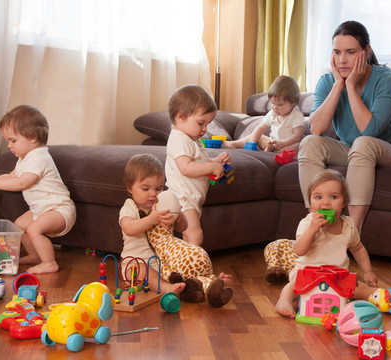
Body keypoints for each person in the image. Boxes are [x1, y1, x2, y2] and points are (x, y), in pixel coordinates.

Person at [299, 20, 391, 234]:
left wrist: (350, 85)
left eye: (350, 52)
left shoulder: (387, 79)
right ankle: (315, 228)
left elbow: (369, 131)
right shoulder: (328, 81)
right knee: (309, 143)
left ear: (366, 52)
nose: (342, 60)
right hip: (353, 150)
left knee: (363, 143)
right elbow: (316, 129)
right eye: (337, 52)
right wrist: (338, 85)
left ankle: (351, 234)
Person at [0, 105, 75, 274]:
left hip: (59, 209)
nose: (9, 146)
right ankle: (36, 255)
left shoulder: (39, 157)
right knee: (19, 227)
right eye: (8, 141)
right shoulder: (24, 159)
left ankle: (49, 262)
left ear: (32, 137)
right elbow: (11, 177)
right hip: (41, 209)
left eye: (13, 141)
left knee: (34, 229)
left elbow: (22, 183)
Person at [275, 169, 378, 318]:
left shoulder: (348, 226)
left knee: (358, 286)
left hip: (337, 277)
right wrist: (312, 230)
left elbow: (358, 249)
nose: (325, 202)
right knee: (293, 285)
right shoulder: (307, 223)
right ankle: (284, 301)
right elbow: (299, 250)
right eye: (318, 197)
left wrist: (368, 272)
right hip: (308, 274)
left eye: (334, 197)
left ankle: (375, 296)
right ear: (310, 201)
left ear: (345, 202)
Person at [166, 85, 231, 246]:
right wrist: (211, 168)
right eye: (201, 123)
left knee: (188, 238)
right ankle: (193, 267)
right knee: (195, 235)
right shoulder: (179, 138)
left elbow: (199, 163)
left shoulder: (193, 139)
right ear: (181, 117)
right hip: (182, 198)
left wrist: (216, 162)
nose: (204, 129)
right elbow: (186, 168)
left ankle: (184, 265)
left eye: (207, 124)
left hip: (191, 199)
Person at [119, 153, 186, 295]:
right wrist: (151, 220)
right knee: (147, 272)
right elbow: (128, 228)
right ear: (130, 187)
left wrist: (179, 216)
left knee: (183, 268)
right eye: (145, 189)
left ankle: (205, 284)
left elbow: (182, 228)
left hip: (163, 263)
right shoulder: (130, 206)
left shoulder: (162, 205)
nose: (153, 194)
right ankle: (166, 289)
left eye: (158, 188)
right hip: (136, 263)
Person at [224, 75, 305, 152]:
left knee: (300, 145)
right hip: (272, 142)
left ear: (293, 102)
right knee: (258, 137)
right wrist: (252, 142)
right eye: (272, 103)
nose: (275, 107)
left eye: (280, 105)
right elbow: (260, 128)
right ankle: (233, 143)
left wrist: (283, 143)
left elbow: (297, 136)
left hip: (288, 144)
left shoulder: (296, 115)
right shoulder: (273, 114)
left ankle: (274, 150)